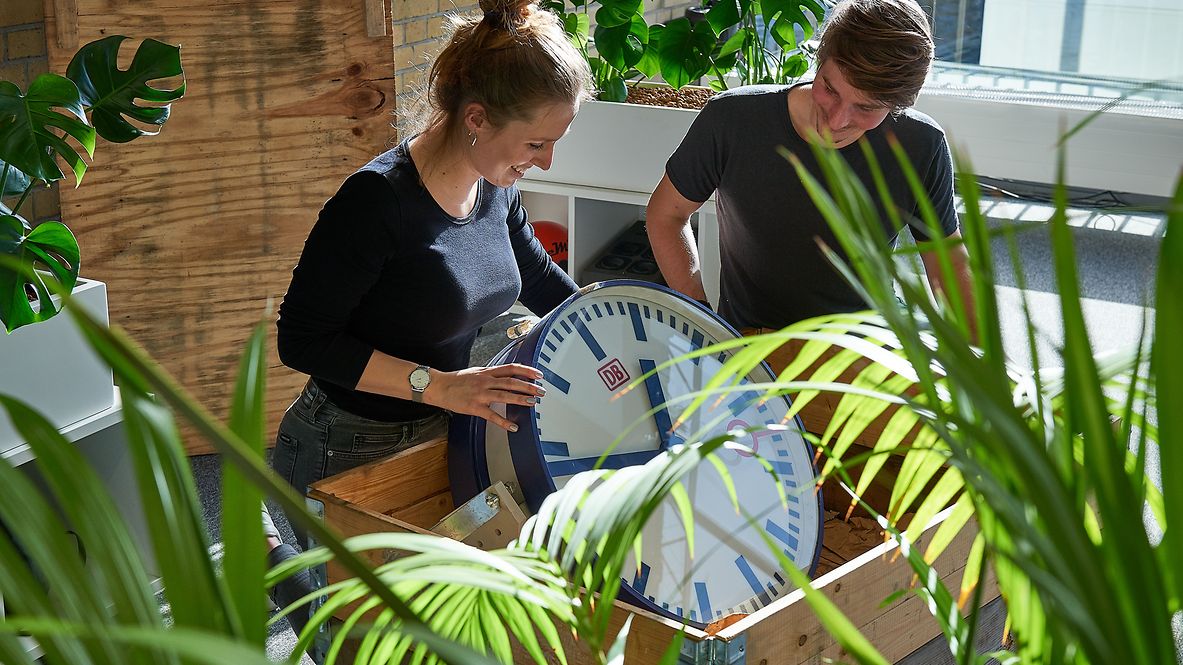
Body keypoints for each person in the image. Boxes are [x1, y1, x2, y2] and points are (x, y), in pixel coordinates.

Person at [260, 0, 592, 648]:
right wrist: (441, 385)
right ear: (476, 119)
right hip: (346, 441)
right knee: (350, 647)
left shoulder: (495, 183)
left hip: (446, 431)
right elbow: (301, 338)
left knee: (433, 634)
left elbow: (544, 283)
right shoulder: (375, 203)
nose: (547, 161)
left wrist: (621, 329)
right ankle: (269, 554)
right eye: (536, 143)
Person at [645, 0, 975, 340]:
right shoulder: (732, 120)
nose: (837, 120)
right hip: (751, 341)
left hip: (862, 350)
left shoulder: (920, 144)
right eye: (830, 89)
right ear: (820, 61)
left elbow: (947, 262)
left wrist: (982, 370)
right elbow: (666, 215)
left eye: (866, 107)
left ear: (899, 104)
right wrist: (703, 324)